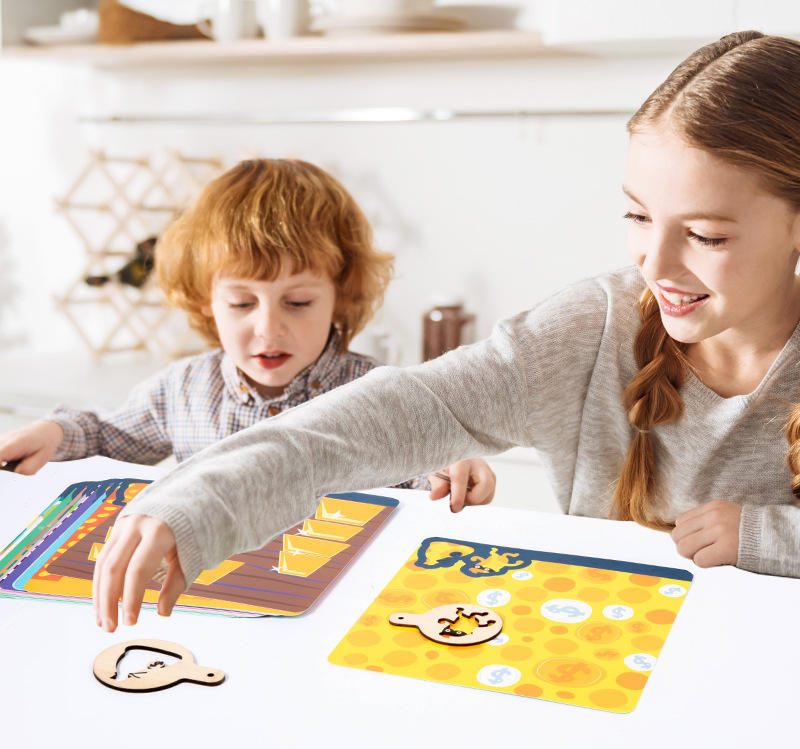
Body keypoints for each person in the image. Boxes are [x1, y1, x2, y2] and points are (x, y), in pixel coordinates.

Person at [92, 31, 800, 633]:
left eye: (706, 235)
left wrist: (766, 536)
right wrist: (203, 497)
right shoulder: (596, 327)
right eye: (639, 217)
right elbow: (401, 409)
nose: (655, 264)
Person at [0, 160, 495, 502]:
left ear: (340, 295)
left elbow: (431, 462)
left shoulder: (379, 396)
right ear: (205, 299)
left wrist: (455, 468)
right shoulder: (183, 391)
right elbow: (107, 435)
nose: (268, 328)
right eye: (241, 303)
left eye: (298, 302)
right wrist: (53, 433)